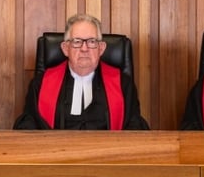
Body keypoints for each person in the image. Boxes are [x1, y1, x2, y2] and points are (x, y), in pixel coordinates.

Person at [13, 13, 149, 130]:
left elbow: (134, 127)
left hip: (107, 152)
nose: (84, 49)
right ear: (65, 48)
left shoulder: (123, 84)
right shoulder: (40, 84)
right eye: (77, 42)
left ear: (101, 48)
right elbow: (29, 126)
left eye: (92, 42)